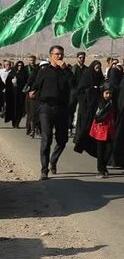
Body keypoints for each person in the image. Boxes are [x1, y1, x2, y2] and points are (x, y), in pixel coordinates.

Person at [30, 46, 73, 180]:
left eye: (61, 54)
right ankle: (44, 170)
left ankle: (53, 160)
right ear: (50, 56)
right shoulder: (44, 71)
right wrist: (32, 91)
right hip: (46, 108)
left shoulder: (66, 71)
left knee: (62, 140)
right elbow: (36, 85)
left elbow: (74, 83)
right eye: (56, 54)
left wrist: (65, 68)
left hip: (61, 108)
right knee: (46, 138)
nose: (59, 57)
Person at [73, 60, 104, 157]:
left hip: (95, 105)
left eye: (99, 68)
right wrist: (91, 89)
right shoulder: (87, 76)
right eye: (96, 67)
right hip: (85, 105)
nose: (98, 69)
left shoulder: (100, 77)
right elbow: (80, 90)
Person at [89, 84, 116, 178]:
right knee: (100, 151)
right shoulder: (100, 103)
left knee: (109, 150)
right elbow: (97, 116)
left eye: (110, 93)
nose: (108, 95)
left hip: (109, 129)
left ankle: (104, 166)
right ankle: (100, 170)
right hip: (100, 129)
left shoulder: (111, 103)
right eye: (106, 93)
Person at [68, 52, 87, 132]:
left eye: (83, 57)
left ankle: (80, 128)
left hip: (83, 93)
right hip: (74, 92)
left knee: (82, 110)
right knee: (71, 110)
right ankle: (69, 127)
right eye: (80, 57)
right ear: (77, 58)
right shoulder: (73, 68)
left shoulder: (87, 69)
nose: (82, 59)